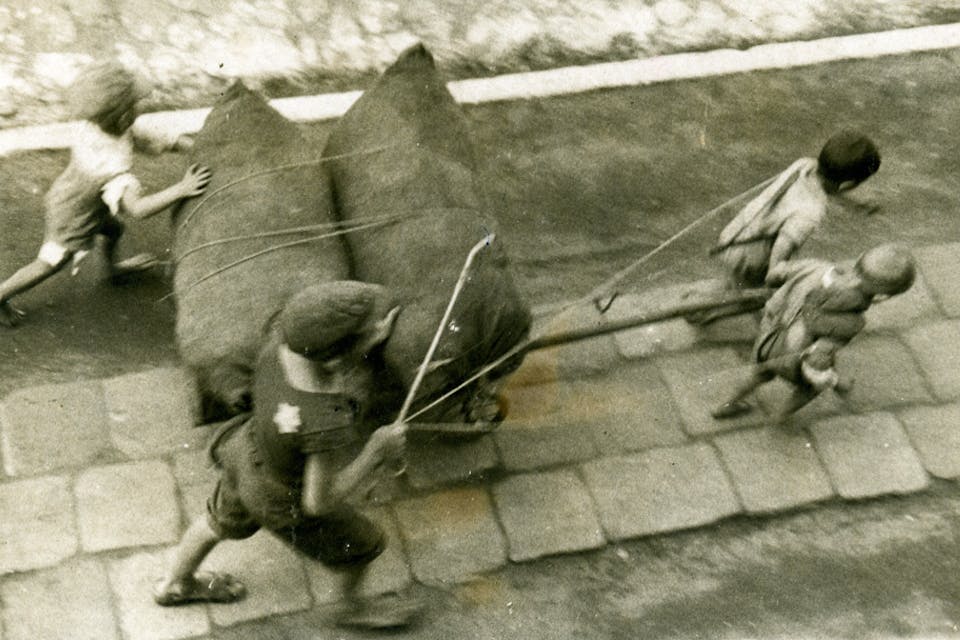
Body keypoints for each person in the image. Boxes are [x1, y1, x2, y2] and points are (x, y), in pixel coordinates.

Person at [153, 282, 423, 630]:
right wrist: (375, 453)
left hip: (246, 453)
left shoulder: (280, 340)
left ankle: (173, 583)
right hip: (283, 499)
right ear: (338, 356)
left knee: (214, 523)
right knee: (364, 544)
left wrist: (366, 336)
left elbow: (325, 357)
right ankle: (348, 608)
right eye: (367, 334)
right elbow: (319, 503)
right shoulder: (325, 416)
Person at [0, 60, 211, 327]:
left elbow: (152, 137)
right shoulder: (112, 166)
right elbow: (138, 209)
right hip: (73, 217)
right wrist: (182, 188)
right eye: (137, 103)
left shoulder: (97, 125)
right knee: (50, 263)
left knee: (113, 230)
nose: (141, 105)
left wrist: (196, 147)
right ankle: (1, 295)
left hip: (79, 200)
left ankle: (114, 269)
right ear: (124, 116)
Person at [689, 131, 881, 324]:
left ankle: (706, 300)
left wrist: (854, 203)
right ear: (848, 183)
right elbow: (781, 251)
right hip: (752, 258)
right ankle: (706, 313)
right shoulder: (810, 214)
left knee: (736, 282)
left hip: (736, 235)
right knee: (753, 297)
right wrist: (776, 283)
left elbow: (825, 188)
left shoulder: (804, 165)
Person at [712, 244, 915, 423]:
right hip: (792, 358)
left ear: (859, 258)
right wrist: (833, 381)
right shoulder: (853, 321)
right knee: (810, 388)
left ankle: (727, 404)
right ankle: (779, 416)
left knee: (760, 372)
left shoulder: (816, 267)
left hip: (769, 337)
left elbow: (777, 273)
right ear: (884, 296)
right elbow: (820, 355)